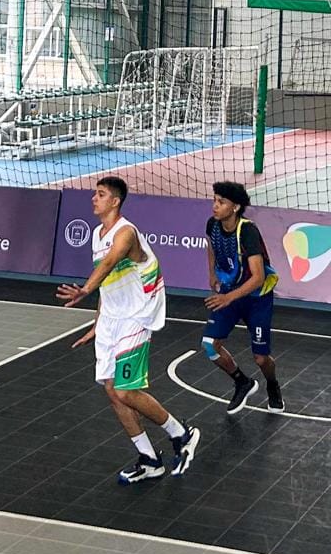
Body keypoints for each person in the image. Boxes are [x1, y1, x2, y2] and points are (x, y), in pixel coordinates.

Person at [57, 176, 201, 484]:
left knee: (125, 389)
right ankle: (150, 460)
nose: (93, 198)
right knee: (112, 391)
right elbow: (108, 285)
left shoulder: (127, 232)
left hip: (137, 315)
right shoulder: (97, 233)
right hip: (112, 317)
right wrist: (97, 323)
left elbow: (109, 263)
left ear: (115, 201)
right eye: (94, 194)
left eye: (100, 194)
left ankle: (182, 434)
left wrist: (84, 289)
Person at [202, 181, 283, 414]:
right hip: (229, 292)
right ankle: (242, 382)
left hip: (257, 297)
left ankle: (272, 385)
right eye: (214, 200)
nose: (215, 206)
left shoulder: (247, 231)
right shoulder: (213, 225)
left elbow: (257, 277)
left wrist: (228, 298)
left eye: (221, 202)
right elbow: (211, 246)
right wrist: (211, 272)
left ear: (235, 207)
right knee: (209, 346)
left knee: (261, 358)